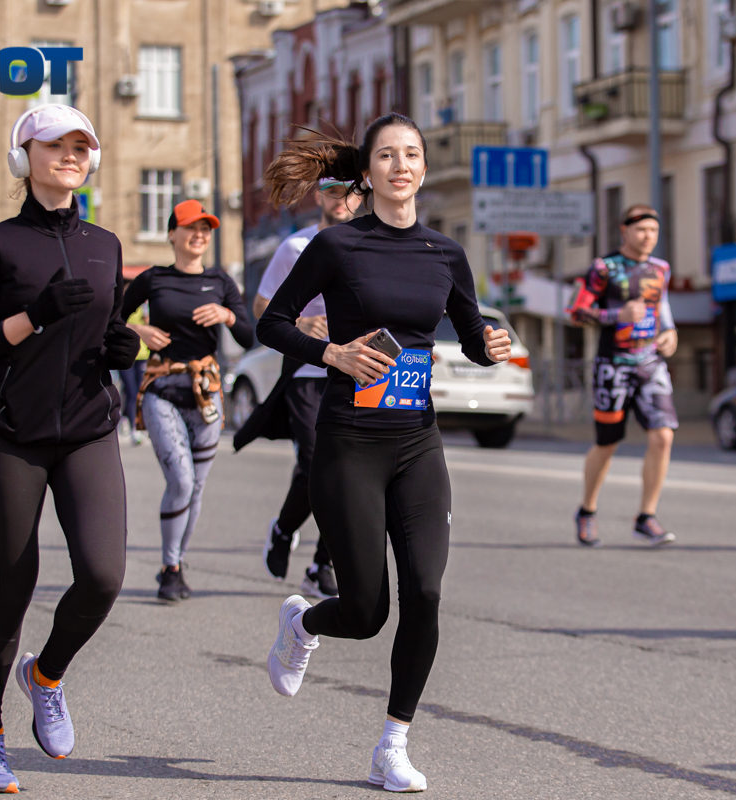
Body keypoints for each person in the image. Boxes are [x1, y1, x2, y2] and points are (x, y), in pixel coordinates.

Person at [257, 114, 512, 792]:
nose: (401, 166)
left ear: (423, 169)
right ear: (366, 173)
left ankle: (392, 744)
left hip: (417, 440)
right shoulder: (338, 245)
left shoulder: (445, 253)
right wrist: (332, 353)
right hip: (350, 442)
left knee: (424, 590)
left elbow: (471, 336)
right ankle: (303, 623)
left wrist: (491, 348)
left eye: (412, 155)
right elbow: (270, 323)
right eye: (388, 156)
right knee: (366, 612)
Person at [0, 104, 139, 793]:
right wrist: (33, 316)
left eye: (81, 146)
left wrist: (120, 347)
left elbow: (106, 329)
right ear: (23, 155)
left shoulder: (105, 244)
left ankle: (46, 674)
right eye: (56, 144)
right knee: (12, 588)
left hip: (88, 428)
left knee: (104, 577)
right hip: (12, 435)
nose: (70, 155)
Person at [235, 177, 362, 598]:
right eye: (333, 191)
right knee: (315, 465)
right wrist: (302, 323)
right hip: (307, 373)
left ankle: (322, 564)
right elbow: (262, 306)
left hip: (356, 375)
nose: (342, 200)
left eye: (350, 192)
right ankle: (284, 528)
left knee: (349, 474)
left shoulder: (369, 245)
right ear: (319, 196)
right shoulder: (295, 247)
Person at [123, 199, 253, 603]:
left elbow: (249, 335)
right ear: (172, 234)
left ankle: (174, 566)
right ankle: (170, 565)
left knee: (194, 487)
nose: (199, 235)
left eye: (205, 229)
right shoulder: (153, 279)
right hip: (162, 389)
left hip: (206, 393)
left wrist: (227, 316)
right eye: (190, 227)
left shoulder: (220, 281)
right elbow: (110, 318)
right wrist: (140, 332)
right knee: (180, 480)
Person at [567, 205, 680, 548]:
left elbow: (661, 305)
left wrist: (670, 331)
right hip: (612, 365)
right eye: (641, 229)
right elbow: (575, 312)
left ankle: (646, 517)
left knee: (663, 436)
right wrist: (617, 315)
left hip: (650, 363)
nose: (648, 236)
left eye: (653, 230)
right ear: (625, 231)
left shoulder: (660, 268)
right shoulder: (604, 268)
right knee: (608, 443)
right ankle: (587, 510)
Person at [117, 302, 149, 445]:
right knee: (131, 391)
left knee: (138, 391)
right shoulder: (121, 303)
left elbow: (149, 324)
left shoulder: (143, 306)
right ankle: (134, 428)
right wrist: (136, 327)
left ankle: (127, 418)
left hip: (142, 354)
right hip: (125, 355)